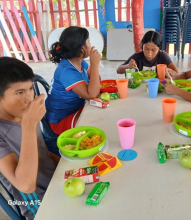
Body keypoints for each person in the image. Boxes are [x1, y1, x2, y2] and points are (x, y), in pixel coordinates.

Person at [0, 57, 59, 219]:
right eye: (19, 92)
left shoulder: (24, 115)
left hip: (55, 182)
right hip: (36, 203)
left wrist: (63, 165)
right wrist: (29, 125)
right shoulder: (25, 121)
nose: (29, 98)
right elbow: (25, 186)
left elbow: (42, 152)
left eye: (30, 89)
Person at [46, 26, 102, 135]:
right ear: (82, 49)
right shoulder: (67, 71)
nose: (91, 45)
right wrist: (95, 64)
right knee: (96, 127)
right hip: (60, 120)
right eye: (89, 42)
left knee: (101, 115)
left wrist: (93, 70)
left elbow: (97, 80)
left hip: (77, 108)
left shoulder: (80, 62)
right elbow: (92, 94)